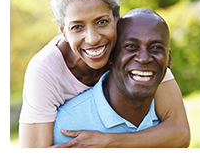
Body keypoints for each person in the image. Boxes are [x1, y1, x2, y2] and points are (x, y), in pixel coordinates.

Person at [17, 0, 189, 148]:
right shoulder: (45, 70)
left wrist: (107, 142)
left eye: (101, 22)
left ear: (116, 17)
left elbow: (179, 132)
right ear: (63, 32)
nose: (93, 39)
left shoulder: (133, 50)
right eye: (77, 27)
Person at [53, 8, 177, 146]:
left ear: (169, 60)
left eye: (155, 48)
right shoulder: (66, 127)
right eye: (131, 46)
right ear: (110, 56)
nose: (144, 59)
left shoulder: (168, 112)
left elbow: (182, 134)